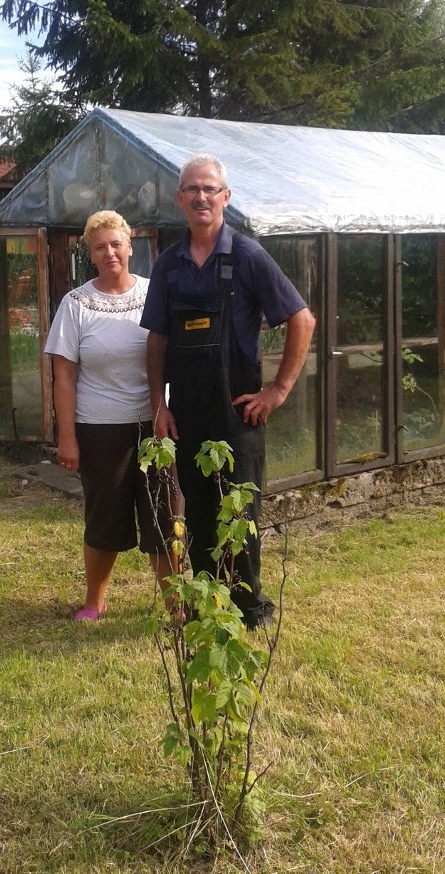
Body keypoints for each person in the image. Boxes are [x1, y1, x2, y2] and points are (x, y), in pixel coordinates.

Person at [141, 154, 315, 629]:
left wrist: (278, 391)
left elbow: (302, 319)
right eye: (192, 189)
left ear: (225, 197)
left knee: (240, 508)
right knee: (196, 511)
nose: (201, 197)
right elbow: (156, 339)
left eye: (210, 189)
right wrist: (160, 405)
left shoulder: (248, 256)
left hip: (239, 413)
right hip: (188, 413)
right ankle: (204, 602)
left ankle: (247, 607)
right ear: (180, 199)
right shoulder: (169, 266)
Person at [45, 210, 174, 621]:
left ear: (130, 245)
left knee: (165, 513)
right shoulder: (76, 304)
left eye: (116, 243)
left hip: (157, 426)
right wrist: (68, 437)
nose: (110, 252)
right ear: (90, 253)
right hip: (99, 428)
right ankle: (94, 599)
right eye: (100, 247)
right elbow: (63, 376)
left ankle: (176, 604)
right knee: (104, 515)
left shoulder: (157, 295)